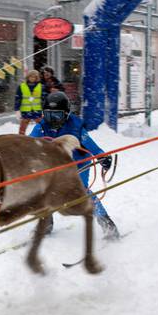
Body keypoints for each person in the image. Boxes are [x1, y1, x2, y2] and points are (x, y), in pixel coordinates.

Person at [30, 92, 120, 239]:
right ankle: (46, 222)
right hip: (55, 163)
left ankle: (107, 223)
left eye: (57, 116)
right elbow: (28, 144)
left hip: (78, 162)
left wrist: (103, 157)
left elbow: (92, 147)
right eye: (48, 115)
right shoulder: (41, 127)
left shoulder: (76, 127)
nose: (52, 120)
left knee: (81, 191)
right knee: (45, 191)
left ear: (66, 114)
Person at [14, 69, 43, 135]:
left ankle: (43, 140)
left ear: (37, 78)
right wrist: (17, 109)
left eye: (34, 77)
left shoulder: (41, 86)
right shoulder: (22, 86)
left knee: (42, 128)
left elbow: (44, 98)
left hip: (37, 110)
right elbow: (18, 98)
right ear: (28, 77)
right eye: (31, 76)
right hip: (25, 111)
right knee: (22, 130)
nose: (32, 78)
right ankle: (21, 141)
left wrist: (45, 109)